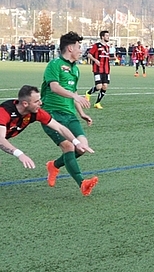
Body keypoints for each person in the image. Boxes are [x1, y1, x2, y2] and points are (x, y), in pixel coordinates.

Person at [40, 31, 99, 196]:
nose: (81, 50)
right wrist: (74, 95)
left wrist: (81, 113)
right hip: (52, 114)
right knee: (68, 146)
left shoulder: (76, 69)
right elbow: (54, 87)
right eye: (79, 47)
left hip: (70, 115)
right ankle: (82, 183)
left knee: (82, 148)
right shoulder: (54, 64)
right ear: (71, 48)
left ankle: (54, 166)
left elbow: (73, 94)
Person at [1, 85, 94, 170]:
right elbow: (1, 139)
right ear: (25, 104)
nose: (41, 103)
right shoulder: (4, 111)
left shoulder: (36, 112)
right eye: (36, 101)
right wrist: (20, 154)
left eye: (40, 100)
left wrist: (76, 142)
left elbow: (59, 127)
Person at [85, 30, 111, 109]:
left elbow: (108, 57)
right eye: (106, 35)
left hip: (106, 70)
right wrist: (95, 60)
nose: (108, 37)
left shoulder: (107, 47)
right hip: (97, 69)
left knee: (105, 86)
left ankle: (97, 103)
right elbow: (89, 55)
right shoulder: (96, 46)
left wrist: (113, 58)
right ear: (102, 37)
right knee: (99, 86)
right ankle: (88, 93)